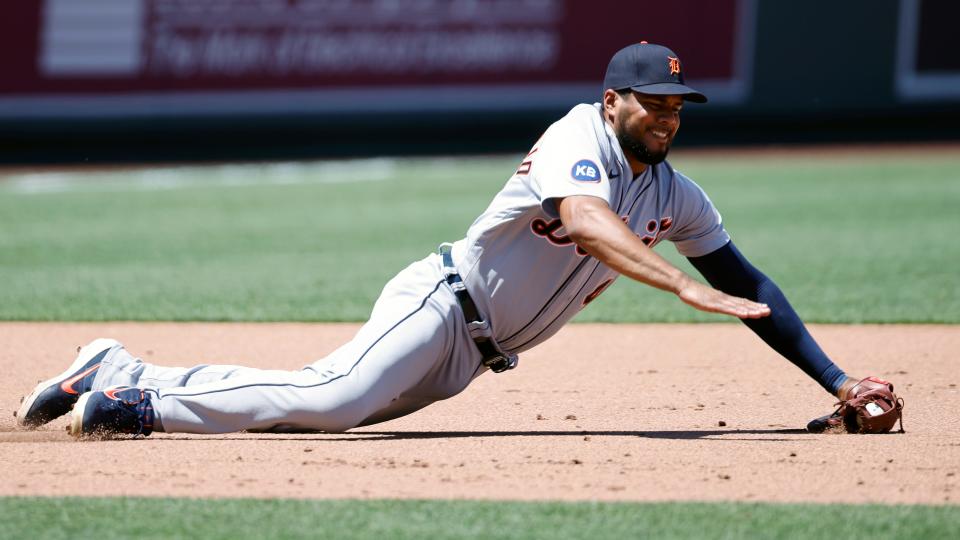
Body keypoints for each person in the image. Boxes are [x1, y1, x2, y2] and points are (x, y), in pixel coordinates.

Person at [16, 42, 881, 438]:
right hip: (442, 301)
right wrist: (679, 286)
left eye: (677, 105)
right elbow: (585, 222)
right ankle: (136, 405)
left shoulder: (676, 195)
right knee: (331, 398)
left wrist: (839, 380)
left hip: (475, 356)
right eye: (651, 100)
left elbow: (746, 280)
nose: (665, 114)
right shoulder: (577, 135)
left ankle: (121, 370)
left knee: (313, 412)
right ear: (612, 98)